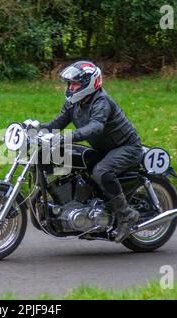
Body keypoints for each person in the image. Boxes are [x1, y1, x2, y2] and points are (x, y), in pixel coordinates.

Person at [40, 60, 143, 242]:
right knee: (76, 164)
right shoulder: (74, 102)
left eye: (76, 84)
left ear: (90, 83)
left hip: (126, 148)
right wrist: (33, 129)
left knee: (101, 171)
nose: (71, 88)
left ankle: (126, 215)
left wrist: (67, 136)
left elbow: (95, 127)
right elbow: (56, 124)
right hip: (103, 149)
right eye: (70, 84)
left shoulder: (101, 101)